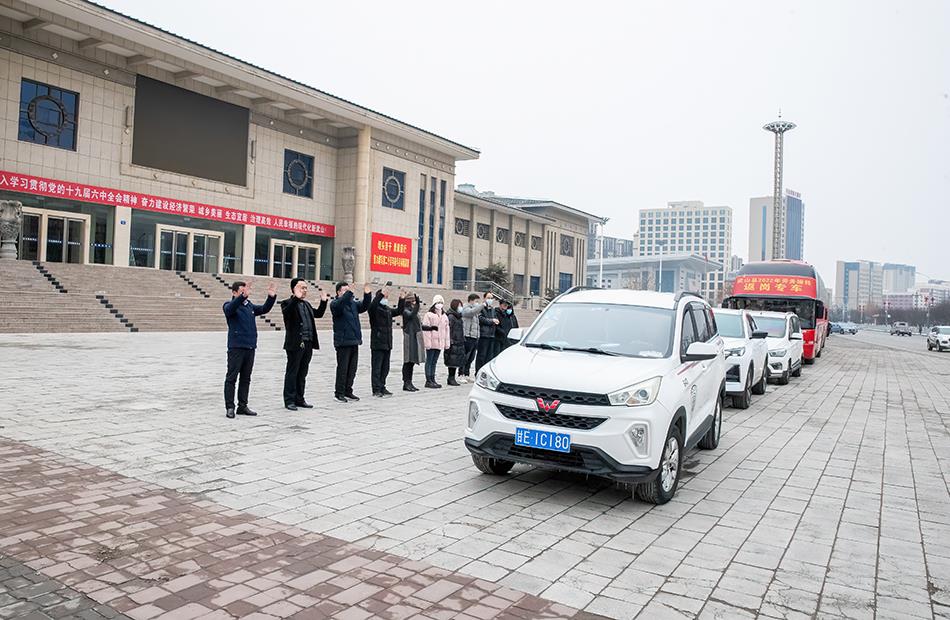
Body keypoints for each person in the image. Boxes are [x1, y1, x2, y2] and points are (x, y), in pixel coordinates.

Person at [223, 280, 277, 419]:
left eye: (246, 291)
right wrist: (242, 297)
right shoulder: (229, 305)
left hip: (250, 346)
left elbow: (264, 309)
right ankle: (230, 407)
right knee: (231, 378)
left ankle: (242, 405)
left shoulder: (249, 306)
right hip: (236, 347)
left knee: (246, 378)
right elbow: (230, 310)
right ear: (234, 292)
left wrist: (271, 297)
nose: (245, 293)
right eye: (242, 291)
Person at [280, 278, 328, 411]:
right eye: (302, 287)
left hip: (308, 342)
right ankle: (289, 400)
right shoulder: (287, 303)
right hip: (295, 343)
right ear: (293, 289)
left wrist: (323, 301)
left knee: (302, 372)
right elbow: (287, 313)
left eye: (306, 288)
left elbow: (318, 314)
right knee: (292, 372)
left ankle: (299, 399)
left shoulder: (306, 304)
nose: (305, 290)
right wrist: (295, 298)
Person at [329, 281, 372, 403]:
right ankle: (339, 393)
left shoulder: (353, 304)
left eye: (349, 290)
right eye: (345, 290)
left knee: (352, 369)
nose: (348, 293)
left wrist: (367, 294)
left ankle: (348, 390)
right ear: (338, 292)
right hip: (343, 342)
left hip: (354, 341)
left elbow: (364, 306)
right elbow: (341, 304)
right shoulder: (335, 304)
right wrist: (349, 293)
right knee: (342, 369)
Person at [369, 287, 406, 397]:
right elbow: (372, 305)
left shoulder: (387, 309)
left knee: (385, 368)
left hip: (387, 342)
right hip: (378, 342)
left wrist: (402, 299)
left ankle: (382, 386)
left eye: (387, 297)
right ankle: (376, 389)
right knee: (377, 367)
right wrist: (381, 294)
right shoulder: (374, 309)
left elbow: (399, 311)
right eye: (384, 296)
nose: (386, 298)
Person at [422, 295, 450, 388]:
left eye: (441, 302)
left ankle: (433, 378)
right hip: (431, 342)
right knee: (429, 361)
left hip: (439, 343)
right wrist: (427, 343)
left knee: (434, 361)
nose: (440, 304)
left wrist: (446, 343)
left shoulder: (444, 316)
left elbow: (447, 331)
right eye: (438, 302)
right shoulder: (429, 315)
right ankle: (428, 380)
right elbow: (426, 330)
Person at [460, 292, 488, 381]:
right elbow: (471, 312)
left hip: (475, 336)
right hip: (467, 336)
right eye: (476, 301)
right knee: (465, 356)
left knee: (471, 357)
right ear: (471, 301)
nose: (477, 303)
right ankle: (461, 374)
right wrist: (482, 305)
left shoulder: (476, 311)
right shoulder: (466, 308)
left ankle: (466, 374)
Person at [401, 293, 425, 391]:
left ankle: (410, 382)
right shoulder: (405, 310)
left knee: (412, 360)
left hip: (415, 336)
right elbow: (411, 315)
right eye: (414, 301)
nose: (415, 303)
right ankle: (406, 382)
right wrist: (417, 305)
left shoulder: (413, 309)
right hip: (409, 336)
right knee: (408, 360)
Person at [475, 294, 500, 372]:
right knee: (481, 355)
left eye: (491, 298)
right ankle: (478, 371)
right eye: (488, 298)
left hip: (491, 335)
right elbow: (480, 318)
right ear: (484, 298)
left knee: (489, 356)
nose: (490, 299)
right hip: (483, 335)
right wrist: (491, 321)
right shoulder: (481, 308)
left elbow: (495, 318)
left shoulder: (492, 309)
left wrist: (495, 320)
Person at [444, 299, 467, 386]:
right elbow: (449, 329)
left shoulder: (459, 316)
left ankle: (452, 377)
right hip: (453, 341)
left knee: (456, 360)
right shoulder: (451, 316)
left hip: (459, 341)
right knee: (452, 360)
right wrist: (450, 340)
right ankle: (451, 378)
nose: (460, 307)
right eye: (459, 306)